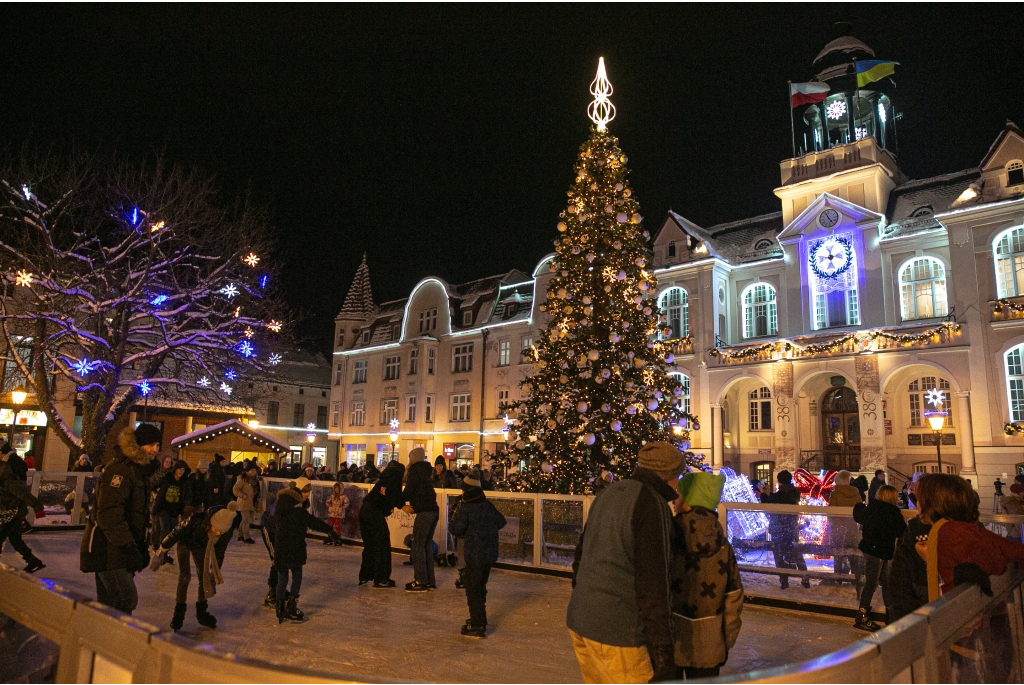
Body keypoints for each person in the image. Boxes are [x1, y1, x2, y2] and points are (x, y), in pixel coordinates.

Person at [567, 442, 683, 684]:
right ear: (669, 477)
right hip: (619, 633)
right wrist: (663, 652)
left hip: (581, 621)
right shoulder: (652, 504)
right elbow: (654, 583)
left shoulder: (609, 493)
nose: (678, 484)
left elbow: (580, 559)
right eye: (677, 477)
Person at [81, 423, 163, 615]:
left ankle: (102, 642)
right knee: (125, 598)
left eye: (157, 445)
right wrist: (129, 547)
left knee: (110, 603)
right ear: (138, 445)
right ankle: (114, 641)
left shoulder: (138, 470)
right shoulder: (121, 470)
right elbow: (109, 514)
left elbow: (136, 514)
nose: (154, 449)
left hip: (119, 548)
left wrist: (139, 545)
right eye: (149, 444)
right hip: (107, 547)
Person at [669, 471, 743, 680]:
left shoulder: (668, 536)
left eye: (680, 495)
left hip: (670, 638)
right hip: (710, 642)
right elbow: (734, 597)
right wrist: (722, 641)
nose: (675, 500)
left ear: (689, 501)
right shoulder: (722, 545)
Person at [150, 501, 239, 631]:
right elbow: (175, 533)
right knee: (185, 577)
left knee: (204, 576)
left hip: (202, 545)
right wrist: (161, 551)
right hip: (185, 542)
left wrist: (214, 571)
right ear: (211, 523)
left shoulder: (225, 532)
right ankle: (178, 614)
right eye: (216, 530)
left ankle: (202, 612)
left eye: (220, 532)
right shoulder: (196, 520)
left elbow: (220, 552)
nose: (217, 534)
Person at [272, 477, 339, 622]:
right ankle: (291, 606)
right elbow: (313, 522)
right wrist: (330, 531)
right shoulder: (298, 512)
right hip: (296, 548)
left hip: (281, 548)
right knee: (297, 577)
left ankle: (279, 608)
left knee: (282, 578)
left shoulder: (279, 509)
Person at [449, 470, 506, 638]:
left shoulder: (466, 508)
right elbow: (501, 521)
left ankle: (478, 624)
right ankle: (479, 618)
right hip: (489, 553)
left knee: (472, 589)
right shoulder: (487, 505)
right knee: (480, 586)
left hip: (474, 554)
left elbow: (455, 528)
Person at [851, 484, 906, 631]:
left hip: (870, 549)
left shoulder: (872, 509)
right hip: (881, 551)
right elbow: (902, 531)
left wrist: (859, 505)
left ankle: (888, 615)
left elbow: (858, 514)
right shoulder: (893, 513)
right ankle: (863, 616)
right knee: (873, 583)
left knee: (881, 582)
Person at [358, 462, 405, 587]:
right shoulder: (394, 478)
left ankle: (366, 574)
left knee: (370, 544)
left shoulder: (383, 479)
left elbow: (386, 496)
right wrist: (402, 505)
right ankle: (381, 578)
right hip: (373, 513)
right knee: (382, 544)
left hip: (364, 510)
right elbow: (393, 495)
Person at [761, 470, 810, 589]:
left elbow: (766, 506)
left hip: (778, 529)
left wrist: (764, 494)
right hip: (791, 528)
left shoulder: (777, 496)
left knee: (779, 555)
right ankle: (805, 578)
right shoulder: (795, 493)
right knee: (797, 552)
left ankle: (784, 581)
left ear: (779, 481)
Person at [402, 447, 439, 592]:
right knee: (426, 546)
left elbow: (408, 492)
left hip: (424, 512)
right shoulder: (427, 471)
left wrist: (396, 499)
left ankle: (421, 581)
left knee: (417, 546)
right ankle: (430, 580)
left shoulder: (415, 471)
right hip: (433, 511)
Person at [0, 460, 46, 572]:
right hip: (9, 514)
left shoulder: (10, 483)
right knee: (15, 540)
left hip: (14, 514)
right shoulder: (3, 482)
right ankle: (33, 561)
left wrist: (37, 507)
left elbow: (25, 495)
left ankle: (32, 561)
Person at [827, 470, 862, 581]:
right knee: (853, 553)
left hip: (839, 528)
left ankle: (839, 578)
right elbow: (860, 510)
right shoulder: (856, 492)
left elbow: (831, 512)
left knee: (839, 553)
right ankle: (855, 578)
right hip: (852, 527)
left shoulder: (835, 493)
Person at [152, 460, 191, 561]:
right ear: (175, 469)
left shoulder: (184, 482)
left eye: (183, 470)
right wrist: (156, 490)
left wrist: (186, 503)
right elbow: (154, 485)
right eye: (179, 469)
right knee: (165, 529)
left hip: (175, 510)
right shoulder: (167, 478)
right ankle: (161, 554)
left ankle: (165, 553)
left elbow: (188, 495)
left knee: (171, 533)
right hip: (163, 508)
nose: (181, 472)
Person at [232, 467, 258, 543]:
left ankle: (240, 535)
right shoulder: (243, 479)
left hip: (251, 502)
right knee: (246, 520)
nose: (253, 472)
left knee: (244, 519)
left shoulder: (254, 479)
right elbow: (235, 489)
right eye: (252, 470)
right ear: (248, 471)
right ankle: (246, 537)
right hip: (244, 501)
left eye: (255, 470)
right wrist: (243, 495)